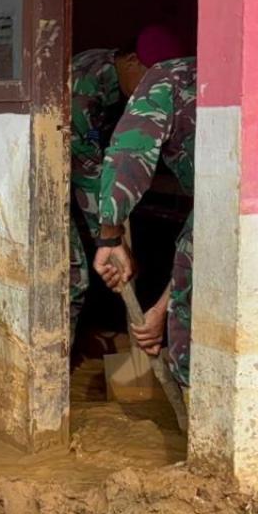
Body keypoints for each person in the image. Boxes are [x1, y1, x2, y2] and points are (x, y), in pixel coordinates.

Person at [68, 26, 181, 338]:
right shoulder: (87, 82)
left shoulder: (121, 83)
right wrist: (110, 236)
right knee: (72, 276)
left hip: (76, 183)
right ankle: (52, 370)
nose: (154, 90)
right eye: (149, 78)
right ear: (131, 60)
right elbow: (87, 167)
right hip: (43, 185)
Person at [93, 47, 195, 389]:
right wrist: (160, 311)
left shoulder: (169, 77)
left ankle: (198, 417)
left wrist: (109, 235)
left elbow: (129, 152)